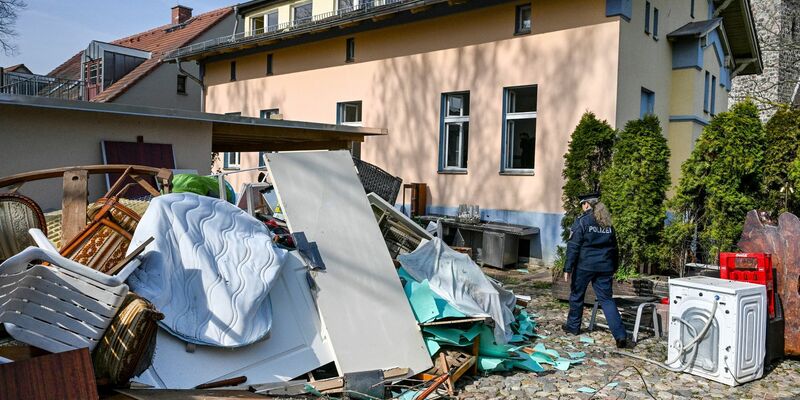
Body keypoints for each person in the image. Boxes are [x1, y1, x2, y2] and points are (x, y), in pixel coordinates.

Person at [561, 193, 628, 348]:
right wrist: (614, 267)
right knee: (607, 300)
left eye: (582, 205)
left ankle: (573, 328)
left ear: (586, 204)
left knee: (577, 296)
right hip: (605, 267)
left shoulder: (582, 222)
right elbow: (615, 248)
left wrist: (568, 267)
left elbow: (573, 246)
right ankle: (620, 335)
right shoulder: (607, 223)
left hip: (585, 266)